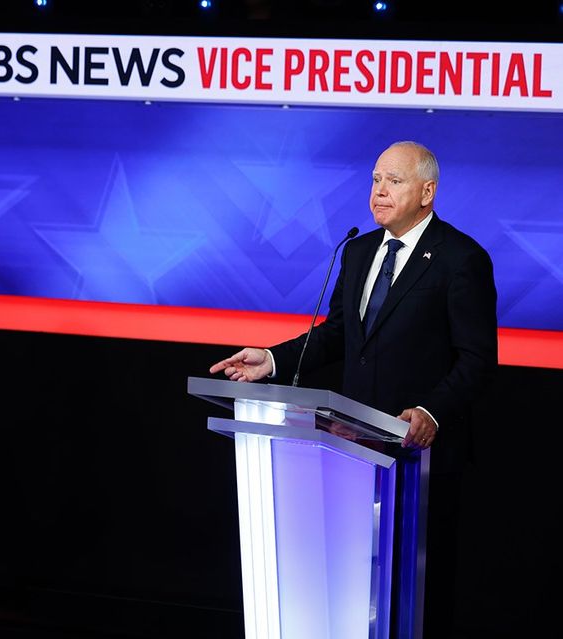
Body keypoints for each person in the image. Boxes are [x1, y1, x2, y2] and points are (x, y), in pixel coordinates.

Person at [209, 141, 498, 637]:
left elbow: (477, 359)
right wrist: (273, 359)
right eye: (374, 179)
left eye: (394, 180)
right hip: (351, 451)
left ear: (427, 191)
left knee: (415, 600)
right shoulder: (360, 250)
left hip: (418, 458)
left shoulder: (460, 259)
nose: (379, 191)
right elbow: (339, 334)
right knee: (356, 591)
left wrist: (432, 410)